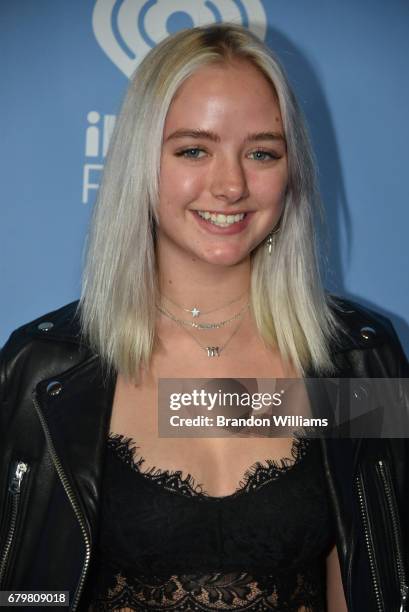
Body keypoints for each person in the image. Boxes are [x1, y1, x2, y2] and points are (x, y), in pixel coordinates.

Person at [0, 22, 408, 612]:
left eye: (262, 152)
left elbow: (364, 575)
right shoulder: (43, 368)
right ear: (142, 162)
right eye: (194, 149)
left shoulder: (359, 357)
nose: (231, 185)